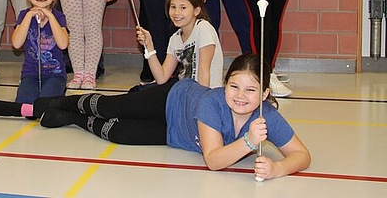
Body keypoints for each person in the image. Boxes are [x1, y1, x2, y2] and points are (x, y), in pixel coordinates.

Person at [36, 54, 311, 180]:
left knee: (117, 134)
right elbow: (214, 161)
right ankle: (62, 101)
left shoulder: (268, 117)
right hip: (171, 99)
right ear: (224, 85)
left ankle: (71, 118)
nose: (240, 95)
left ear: (264, 94)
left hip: (175, 135)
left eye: (250, 90)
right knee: (109, 108)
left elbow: (302, 155)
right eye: (233, 86)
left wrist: (279, 169)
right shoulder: (211, 104)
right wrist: (249, 143)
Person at [136, 0, 223, 88]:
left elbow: (204, 72)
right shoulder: (175, 38)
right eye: (173, 7)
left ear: (196, 11)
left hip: (205, 95)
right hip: (184, 93)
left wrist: (199, 102)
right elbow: (161, 78)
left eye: (183, 8)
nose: (176, 12)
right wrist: (149, 46)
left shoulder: (203, 28)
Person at [11, 0, 69, 104]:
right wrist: (28, 16)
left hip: (55, 74)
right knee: (24, 104)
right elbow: (16, 43)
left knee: (45, 104)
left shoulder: (59, 17)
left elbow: (63, 44)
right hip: (31, 74)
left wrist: (50, 16)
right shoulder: (24, 15)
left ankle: (57, 92)